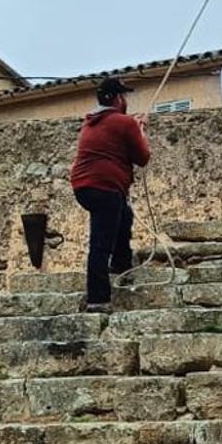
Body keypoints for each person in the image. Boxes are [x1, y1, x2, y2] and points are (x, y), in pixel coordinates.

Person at [69, 77, 151, 312]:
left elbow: (114, 136)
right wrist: (140, 130)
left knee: (124, 215)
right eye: (123, 96)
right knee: (100, 243)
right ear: (117, 99)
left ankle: (121, 263)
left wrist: (134, 126)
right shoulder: (124, 123)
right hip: (105, 186)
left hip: (84, 185)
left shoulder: (91, 122)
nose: (125, 100)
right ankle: (98, 299)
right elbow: (143, 157)